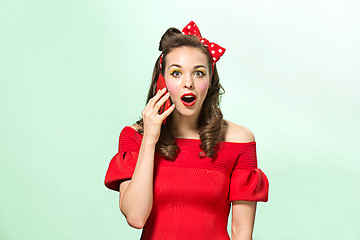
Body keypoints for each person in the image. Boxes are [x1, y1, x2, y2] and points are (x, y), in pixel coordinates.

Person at [104, 21, 269, 240]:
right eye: (176, 73)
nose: (188, 83)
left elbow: (241, 232)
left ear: (210, 80)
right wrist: (150, 139)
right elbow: (135, 217)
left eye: (199, 73)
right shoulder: (135, 137)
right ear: (162, 80)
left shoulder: (238, 140)